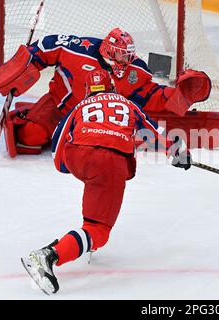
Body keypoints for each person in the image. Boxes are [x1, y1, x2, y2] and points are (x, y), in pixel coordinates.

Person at [20, 69, 192, 294]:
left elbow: (58, 141)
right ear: (111, 87)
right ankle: (48, 256)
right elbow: (152, 130)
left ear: (89, 90)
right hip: (109, 162)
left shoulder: (79, 107)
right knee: (98, 230)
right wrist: (176, 151)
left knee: (94, 194)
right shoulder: (126, 103)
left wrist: (70, 166)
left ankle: (78, 237)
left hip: (78, 156)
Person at [0, 27, 211, 156]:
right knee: (29, 137)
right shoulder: (77, 49)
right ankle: (29, 116)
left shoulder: (136, 70)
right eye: (122, 55)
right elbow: (45, 45)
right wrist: (26, 64)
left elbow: (149, 96)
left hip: (97, 119)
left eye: (129, 55)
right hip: (60, 105)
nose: (127, 60)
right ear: (110, 51)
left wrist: (183, 95)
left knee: (107, 153)